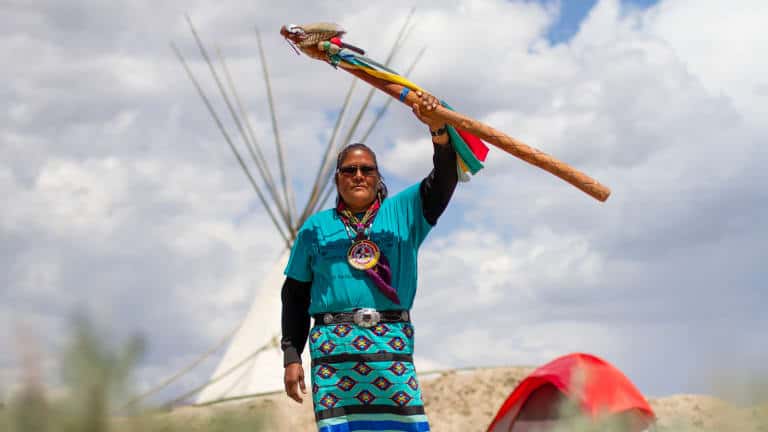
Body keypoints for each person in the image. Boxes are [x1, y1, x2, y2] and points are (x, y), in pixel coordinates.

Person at [281, 90, 457, 432]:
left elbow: (445, 179)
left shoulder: (406, 212)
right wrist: (291, 356)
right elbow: (295, 295)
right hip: (333, 356)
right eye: (349, 170)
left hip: (390, 348)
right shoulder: (315, 228)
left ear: (378, 178)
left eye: (366, 169)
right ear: (337, 179)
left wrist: (438, 132)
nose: (358, 175)